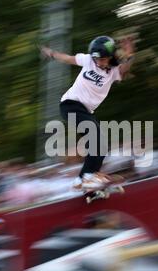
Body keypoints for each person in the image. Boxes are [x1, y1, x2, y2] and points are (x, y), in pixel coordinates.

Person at [40, 35, 135, 190]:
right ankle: (88, 177)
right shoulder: (88, 60)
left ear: (111, 57)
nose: (99, 62)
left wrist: (130, 54)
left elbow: (124, 70)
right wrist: (51, 53)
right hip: (70, 105)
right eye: (97, 59)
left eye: (103, 59)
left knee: (101, 146)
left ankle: (82, 180)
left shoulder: (114, 71)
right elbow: (68, 59)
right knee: (97, 140)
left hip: (85, 111)